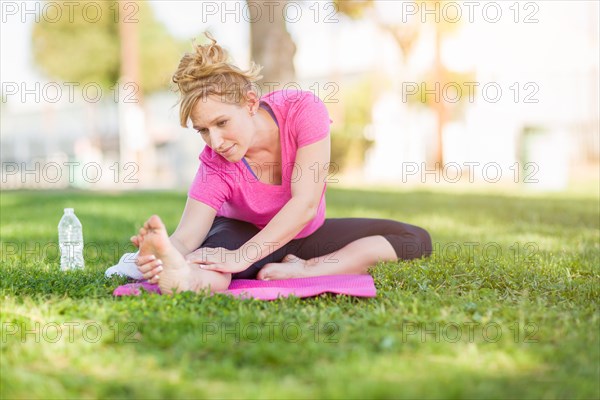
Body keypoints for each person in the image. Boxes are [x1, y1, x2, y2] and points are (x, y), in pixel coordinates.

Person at [131, 33, 432, 295]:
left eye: (222, 122)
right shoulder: (214, 163)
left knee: (414, 239)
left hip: (303, 237)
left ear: (250, 103)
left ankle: (309, 270)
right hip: (240, 234)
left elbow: (305, 205)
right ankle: (184, 280)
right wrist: (165, 255)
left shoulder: (302, 110)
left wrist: (243, 258)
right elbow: (187, 237)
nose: (216, 141)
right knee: (210, 260)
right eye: (204, 130)